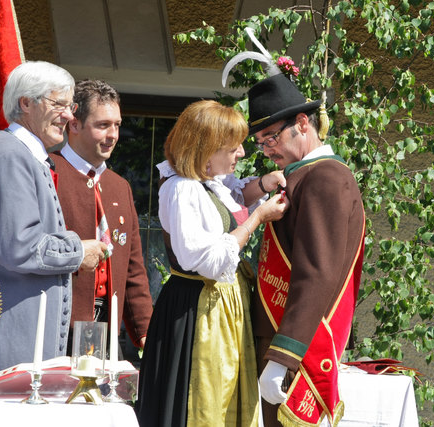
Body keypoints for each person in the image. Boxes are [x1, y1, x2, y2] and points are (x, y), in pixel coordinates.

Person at [135, 99, 289, 427]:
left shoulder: (209, 184)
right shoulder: (181, 189)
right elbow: (207, 260)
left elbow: (233, 201)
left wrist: (263, 185)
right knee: (202, 401)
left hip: (220, 308)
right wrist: (258, 218)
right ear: (205, 150)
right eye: (233, 148)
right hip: (196, 310)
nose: (241, 153)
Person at [0, 61, 107, 381]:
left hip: (11, 340)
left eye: (71, 106)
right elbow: (19, 245)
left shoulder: (20, 154)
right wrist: (78, 251)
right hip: (3, 347)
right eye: (59, 104)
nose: (68, 115)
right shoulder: (10, 156)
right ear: (26, 103)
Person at [248, 74, 366, 426]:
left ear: (302, 123)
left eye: (271, 137)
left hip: (295, 344)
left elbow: (317, 272)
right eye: (260, 142)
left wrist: (284, 355)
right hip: (282, 334)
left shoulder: (324, 177)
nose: (266, 150)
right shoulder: (304, 174)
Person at [49, 79, 152, 355]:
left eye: (117, 125)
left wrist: (145, 330)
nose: (113, 135)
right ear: (74, 124)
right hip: (58, 329)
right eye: (103, 125)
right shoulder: (48, 172)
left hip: (107, 330)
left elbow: (133, 267)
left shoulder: (120, 186)